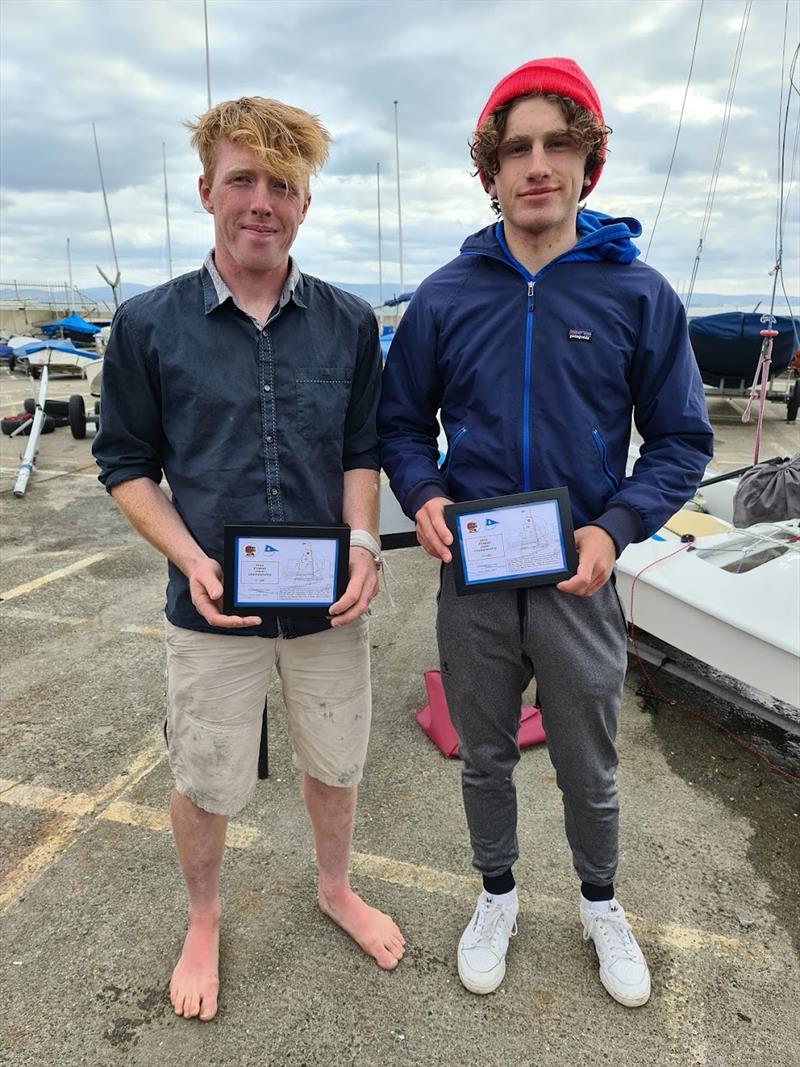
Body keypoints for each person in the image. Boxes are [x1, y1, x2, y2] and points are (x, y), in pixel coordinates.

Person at [378, 58, 713, 1007]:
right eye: (515, 147)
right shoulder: (446, 296)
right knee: (484, 753)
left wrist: (617, 527)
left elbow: (682, 439)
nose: (536, 164)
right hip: (474, 576)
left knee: (586, 759)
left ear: (587, 164)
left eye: (557, 144)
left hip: (578, 576)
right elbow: (402, 425)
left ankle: (601, 903)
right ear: (490, 170)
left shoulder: (637, 294)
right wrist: (425, 494)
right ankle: (497, 892)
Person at [93, 96, 404, 1022]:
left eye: (282, 184)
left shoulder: (350, 324)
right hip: (212, 603)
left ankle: (334, 885)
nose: (261, 201)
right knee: (207, 770)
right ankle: (203, 916)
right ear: (206, 193)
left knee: (336, 758)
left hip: (323, 602)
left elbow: (362, 448)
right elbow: (123, 464)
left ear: (304, 203)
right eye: (243, 180)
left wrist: (360, 543)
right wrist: (189, 557)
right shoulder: (148, 325)